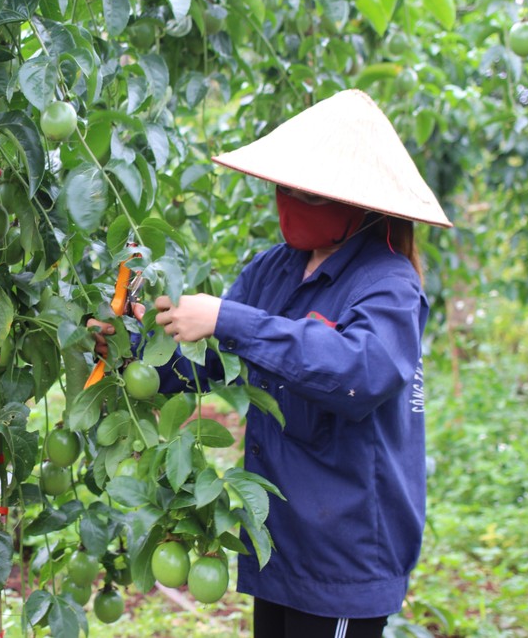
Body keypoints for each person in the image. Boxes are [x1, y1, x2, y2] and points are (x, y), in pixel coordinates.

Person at [91, 89, 452, 637]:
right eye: (284, 185)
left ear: (353, 200)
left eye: (304, 191)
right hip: (279, 543)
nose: (288, 199)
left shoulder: (388, 285)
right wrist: (131, 353)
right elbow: (209, 363)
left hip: (342, 557)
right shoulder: (275, 271)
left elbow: (360, 373)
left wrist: (228, 319)